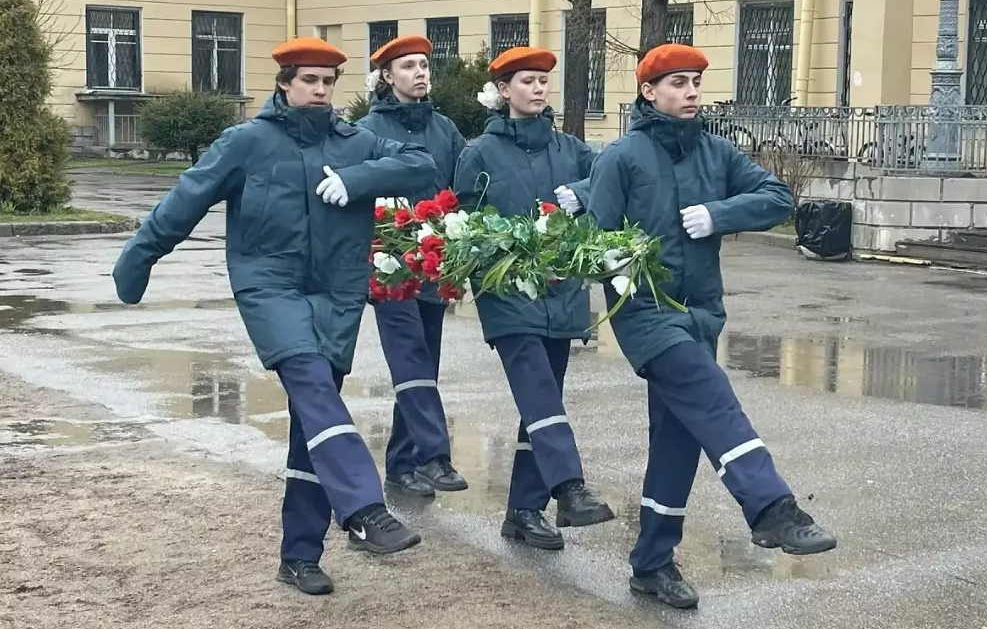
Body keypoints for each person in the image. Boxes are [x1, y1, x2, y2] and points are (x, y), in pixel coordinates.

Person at [111, 36, 440, 596]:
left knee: (313, 423)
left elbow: (421, 164)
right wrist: (139, 257)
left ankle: (299, 556)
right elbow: (187, 197)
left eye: (328, 81)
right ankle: (363, 507)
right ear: (285, 84)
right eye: (309, 80)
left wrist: (358, 179)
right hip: (270, 287)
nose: (320, 90)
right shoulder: (247, 142)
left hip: (336, 294)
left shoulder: (355, 142)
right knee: (314, 389)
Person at [566, 43, 837, 610]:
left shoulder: (717, 152)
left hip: (702, 314)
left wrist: (720, 214)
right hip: (646, 314)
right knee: (713, 396)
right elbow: (595, 239)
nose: (691, 92)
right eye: (677, 83)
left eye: (695, 82)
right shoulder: (623, 156)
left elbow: (778, 196)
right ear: (649, 92)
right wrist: (617, 266)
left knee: (677, 442)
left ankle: (652, 564)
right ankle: (771, 509)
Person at [453, 46, 614, 551]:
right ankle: (568, 487)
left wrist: (583, 196)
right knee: (539, 392)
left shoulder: (571, 149)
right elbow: (463, 221)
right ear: (504, 91)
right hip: (507, 294)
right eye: (527, 80)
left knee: (540, 403)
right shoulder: (479, 153)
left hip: (562, 292)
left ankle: (523, 511)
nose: (539, 88)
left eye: (544, 80)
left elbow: (606, 185)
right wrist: (499, 256)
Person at [355, 35, 469, 499]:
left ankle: (403, 465)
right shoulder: (366, 131)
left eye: (424, 65)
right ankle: (434, 455)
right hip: (388, 261)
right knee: (409, 356)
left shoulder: (445, 129)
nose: (420, 73)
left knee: (425, 361)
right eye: (408, 67)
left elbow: (465, 182)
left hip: (436, 259)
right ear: (387, 76)